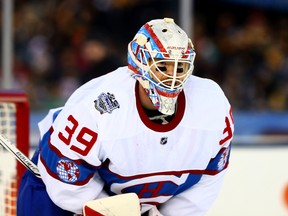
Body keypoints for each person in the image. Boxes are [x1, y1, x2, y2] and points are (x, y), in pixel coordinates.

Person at [17, 17, 234, 216]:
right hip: (57, 194)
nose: (172, 77)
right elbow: (66, 184)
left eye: (180, 67)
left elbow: (210, 178)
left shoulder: (212, 106)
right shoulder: (97, 107)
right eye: (162, 66)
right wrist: (115, 212)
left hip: (137, 202)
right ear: (139, 64)